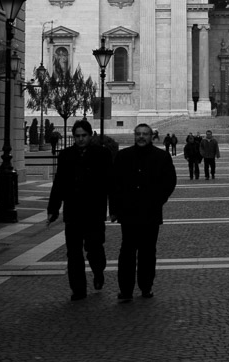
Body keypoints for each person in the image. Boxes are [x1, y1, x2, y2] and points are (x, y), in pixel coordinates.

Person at [47, 119, 112, 302]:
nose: (81, 139)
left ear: (90, 136)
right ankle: (78, 289)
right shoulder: (66, 155)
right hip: (73, 211)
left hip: (94, 211)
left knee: (94, 248)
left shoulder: (102, 154)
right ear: (73, 137)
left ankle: (98, 272)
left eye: (84, 136)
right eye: (77, 136)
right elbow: (59, 183)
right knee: (73, 252)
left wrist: (114, 208)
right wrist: (53, 209)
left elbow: (110, 183)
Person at [110, 123, 177, 302]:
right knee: (127, 252)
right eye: (138, 134)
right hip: (128, 212)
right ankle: (125, 290)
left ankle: (146, 286)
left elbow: (170, 182)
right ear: (134, 135)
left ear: (151, 136)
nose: (141, 137)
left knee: (148, 252)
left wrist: (158, 200)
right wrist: (114, 210)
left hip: (150, 212)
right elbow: (114, 185)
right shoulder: (123, 156)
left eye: (145, 134)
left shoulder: (161, 157)